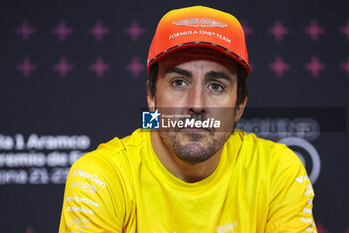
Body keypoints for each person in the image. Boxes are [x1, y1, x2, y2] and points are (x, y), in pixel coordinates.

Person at [59, 5, 317, 233]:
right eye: (179, 82)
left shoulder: (277, 172)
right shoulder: (102, 177)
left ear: (239, 106)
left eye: (216, 86)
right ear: (151, 97)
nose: (196, 104)